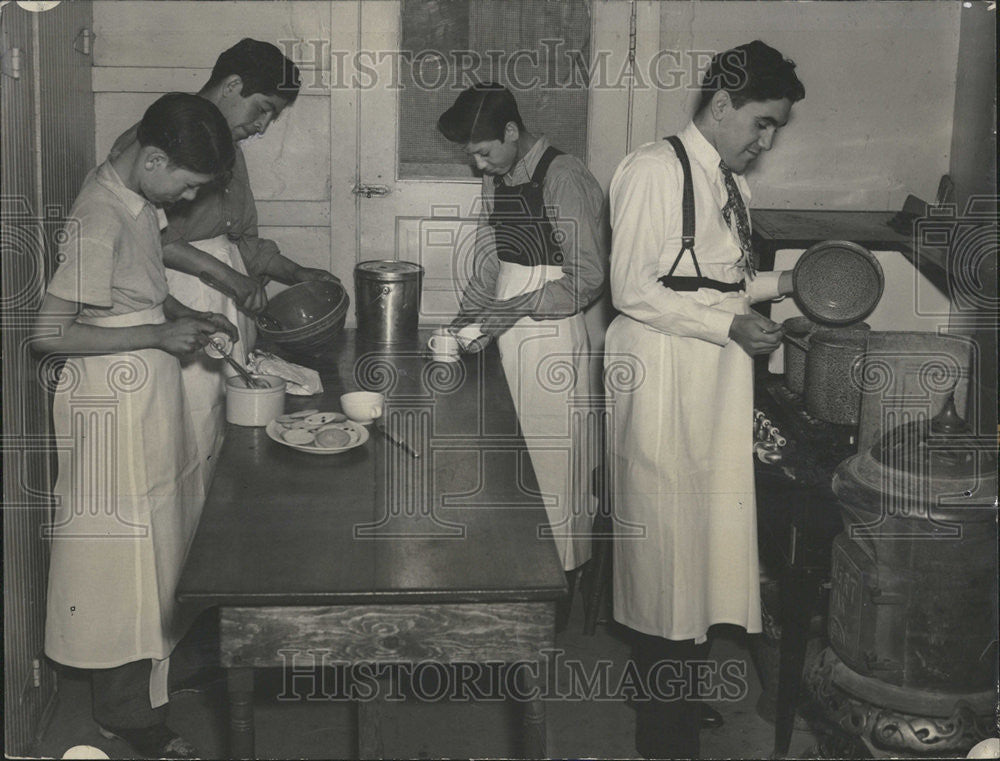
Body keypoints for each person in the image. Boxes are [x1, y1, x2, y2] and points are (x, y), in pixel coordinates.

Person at [605, 41, 804, 758]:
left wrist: (785, 286)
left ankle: (675, 706)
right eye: (761, 122)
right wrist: (727, 322)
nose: (767, 139)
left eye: (775, 127)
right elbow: (632, 288)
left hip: (711, 382)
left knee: (697, 558)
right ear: (721, 106)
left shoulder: (729, 183)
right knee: (665, 562)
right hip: (662, 377)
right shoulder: (653, 170)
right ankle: (665, 735)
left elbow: (708, 280)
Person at [34, 92, 238, 759]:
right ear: (152, 158)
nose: (185, 199)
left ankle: (158, 672)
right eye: (185, 182)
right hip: (109, 402)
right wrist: (160, 330)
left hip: (144, 395)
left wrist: (188, 315)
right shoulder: (100, 219)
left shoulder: (136, 200)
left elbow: (141, 288)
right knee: (118, 560)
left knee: (159, 539)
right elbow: (48, 333)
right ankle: (122, 710)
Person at [109, 38, 337, 488]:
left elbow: (239, 237)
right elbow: (145, 239)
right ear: (232, 85)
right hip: (177, 303)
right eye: (263, 109)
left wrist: (294, 273)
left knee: (226, 427)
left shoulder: (227, 151)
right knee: (187, 435)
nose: (264, 127)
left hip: (226, 308)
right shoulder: (152, 141)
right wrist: (226, 275)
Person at [438, 83, 608, 622]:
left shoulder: (565, 176)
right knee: (505, 461)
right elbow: (493, 258)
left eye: (484, 150)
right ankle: (505, 589)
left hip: (551, 335)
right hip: (508, 329)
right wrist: (468, 316)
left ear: (513, 132)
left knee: (552, 467)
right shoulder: (499, 178)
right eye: (471, 155)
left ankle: (554, 598)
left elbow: (587, 278)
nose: (478, 164)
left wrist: (513, 309)